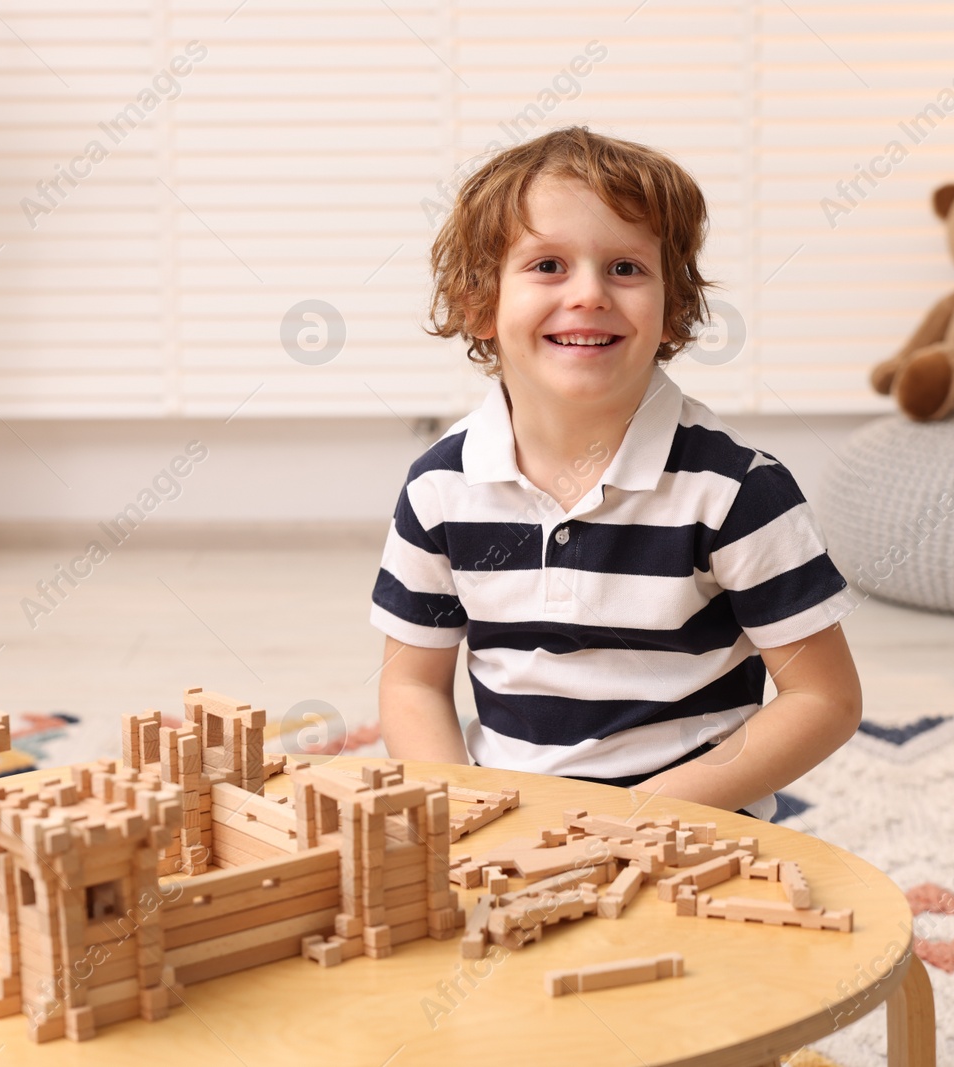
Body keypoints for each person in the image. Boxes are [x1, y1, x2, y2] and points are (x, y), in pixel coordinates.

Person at [369, 126, 861, 820]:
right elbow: (413, 685)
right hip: (510, 825)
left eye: (626, 268)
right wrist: (462, 811)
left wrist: (632, 816)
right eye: (547, 266)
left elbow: (825, 699)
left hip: (690, 828)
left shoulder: (736, 490)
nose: (590, 294)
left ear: (673, 309)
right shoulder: (439, 488)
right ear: (481, 304)